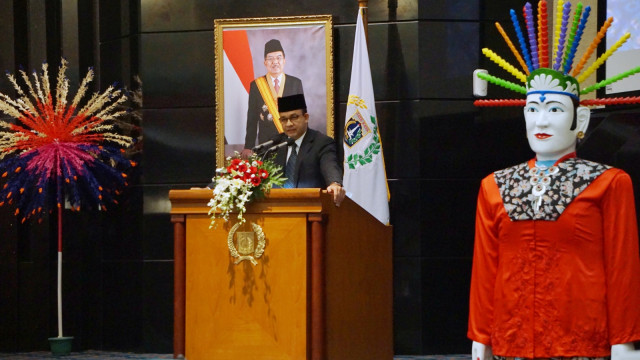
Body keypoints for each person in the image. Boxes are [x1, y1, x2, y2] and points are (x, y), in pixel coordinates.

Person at [468, 2, 640, 360]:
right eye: (532, 110)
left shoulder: (608, 183)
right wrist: (480, 336)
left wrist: (624, 341)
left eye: (555, 110)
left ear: (581, 119)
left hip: (580, 341)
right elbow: (486, 268)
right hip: (511, 340)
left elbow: (623, 269)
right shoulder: (495, 186)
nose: (541, 121)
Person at [272, 94, 345, 206]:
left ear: (306, 117)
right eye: (284, 119)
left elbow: (330, 165)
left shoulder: (321, 143)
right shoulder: (274, 145)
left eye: (294, 117)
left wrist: (335, 183)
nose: (289, 124)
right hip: (278, 210)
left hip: (310, 209)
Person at [242, 39, 304, 157]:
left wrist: (302, 142)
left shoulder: (295, 83)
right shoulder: (256, 85)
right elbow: (252, 118)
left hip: (290, 141)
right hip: (266, 144)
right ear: (265, 62)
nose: (275, 62)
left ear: (284, 60)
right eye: (270, 58)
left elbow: (301, 116)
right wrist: (248, 146)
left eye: (279, 57)